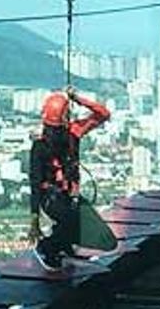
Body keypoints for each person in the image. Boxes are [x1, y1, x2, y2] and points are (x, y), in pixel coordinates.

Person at [28, 88, 111, 270]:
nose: (53, 133)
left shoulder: (69, 133)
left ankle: (64, 244)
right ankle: (48, 247)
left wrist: (77, 98)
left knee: (104, 238)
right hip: (51, 197)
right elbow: (35, 181)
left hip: (67, 195)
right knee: (72, 219)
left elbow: (104, 114)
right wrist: (34, 217)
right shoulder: (58, 138)